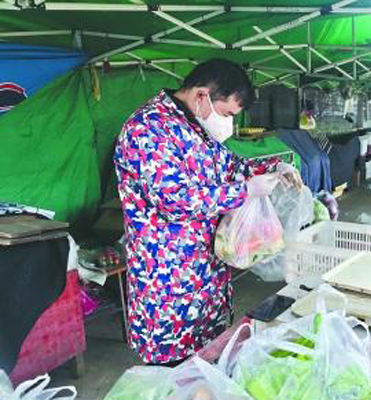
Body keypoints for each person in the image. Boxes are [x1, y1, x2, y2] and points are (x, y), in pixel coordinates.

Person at [114, 58, 301, 365]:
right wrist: (245, 191)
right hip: (169, 283)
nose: (228, 122)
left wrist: (274, 168)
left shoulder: (197, 128)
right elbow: (173, 199)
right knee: (173, 377)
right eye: (227, 113)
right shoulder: (147, 128)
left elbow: (233, 167)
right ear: (202, 96)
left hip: (207, 278)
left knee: (210, 367)